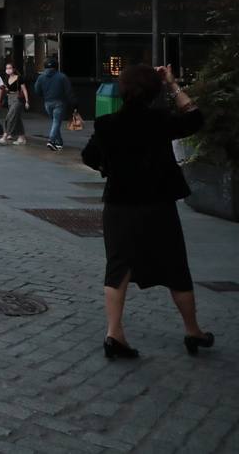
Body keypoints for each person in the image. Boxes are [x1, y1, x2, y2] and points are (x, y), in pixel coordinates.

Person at [81, 65, 213, 360]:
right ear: (154, 91)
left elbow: (89, 156)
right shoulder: (160, 120)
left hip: (119, 204)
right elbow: (195, 117)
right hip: (157, 205)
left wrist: (111, 168)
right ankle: (193, 330)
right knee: (175, 266)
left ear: (122, 89)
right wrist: (173, 84)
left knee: (117, 267)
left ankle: (114, 333)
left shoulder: (106, 124)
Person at [34, 58, 75, 151]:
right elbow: (69, 91)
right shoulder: (62, 77)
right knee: (56, 122)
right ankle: (51, 140)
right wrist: (73, 102)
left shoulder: (41, 77)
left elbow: (37, 90)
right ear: (56, 66)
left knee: (55, 123)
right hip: (59, 102)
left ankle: (59, 142)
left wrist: (44, 95)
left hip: (47, 103)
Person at [0, 61, 30, 145]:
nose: (8, 70)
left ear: (13, 69)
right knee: (17, 119)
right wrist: (3, 89)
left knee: (10, 117)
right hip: (10, 98)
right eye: (7, 68)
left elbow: (24, 89)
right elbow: (6, 89)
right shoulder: (6, 78)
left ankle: (4, 136)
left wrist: (27, 101)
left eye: (10, 68)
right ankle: (21, 138)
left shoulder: (19, 78)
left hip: (17, 99)